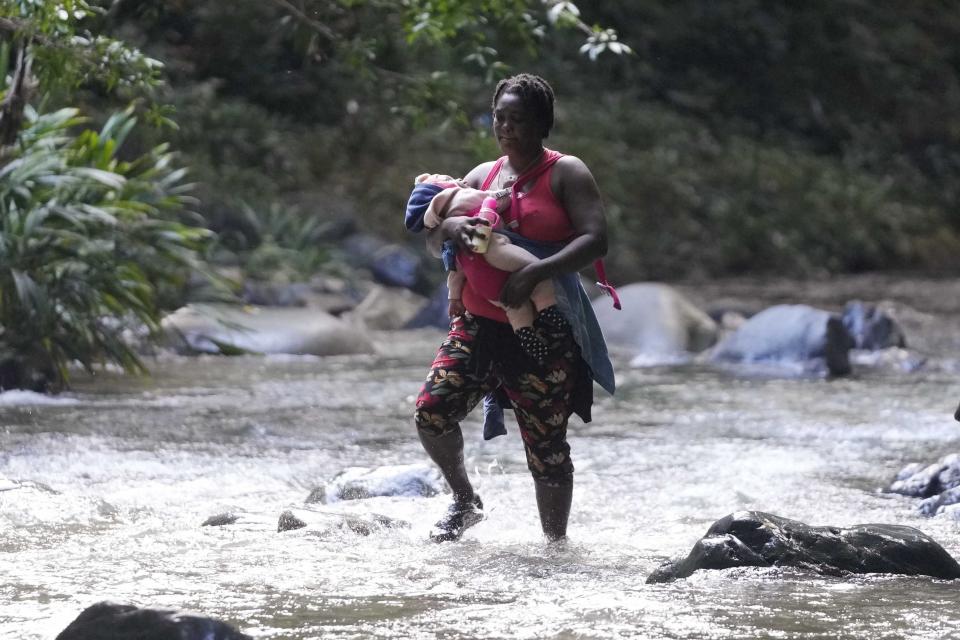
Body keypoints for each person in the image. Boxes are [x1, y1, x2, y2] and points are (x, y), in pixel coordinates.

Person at [413, 73, 616, 542]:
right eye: (500, 117)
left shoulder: (567, 172)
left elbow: (595, 238)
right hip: (479, 323)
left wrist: (534, 271)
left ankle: (555, 546)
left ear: (542, 123)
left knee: (546, 446)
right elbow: (432, 238)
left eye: (518, 119)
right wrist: (451, 233)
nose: (506, 127)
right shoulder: (480, 176)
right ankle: (465, 500)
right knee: (431, 412)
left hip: (543, 328)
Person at [408, 172, 557, 361]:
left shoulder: (562, 170)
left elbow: (456, 269)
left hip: (487, 287)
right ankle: (549, 313)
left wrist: (453, 298)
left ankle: (527, 334)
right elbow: (438, 245)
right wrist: (449, 226)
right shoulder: (462, 192)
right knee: (538, 276)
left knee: (517, 305)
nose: (457, 180)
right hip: (473, 325)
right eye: (448, 180)